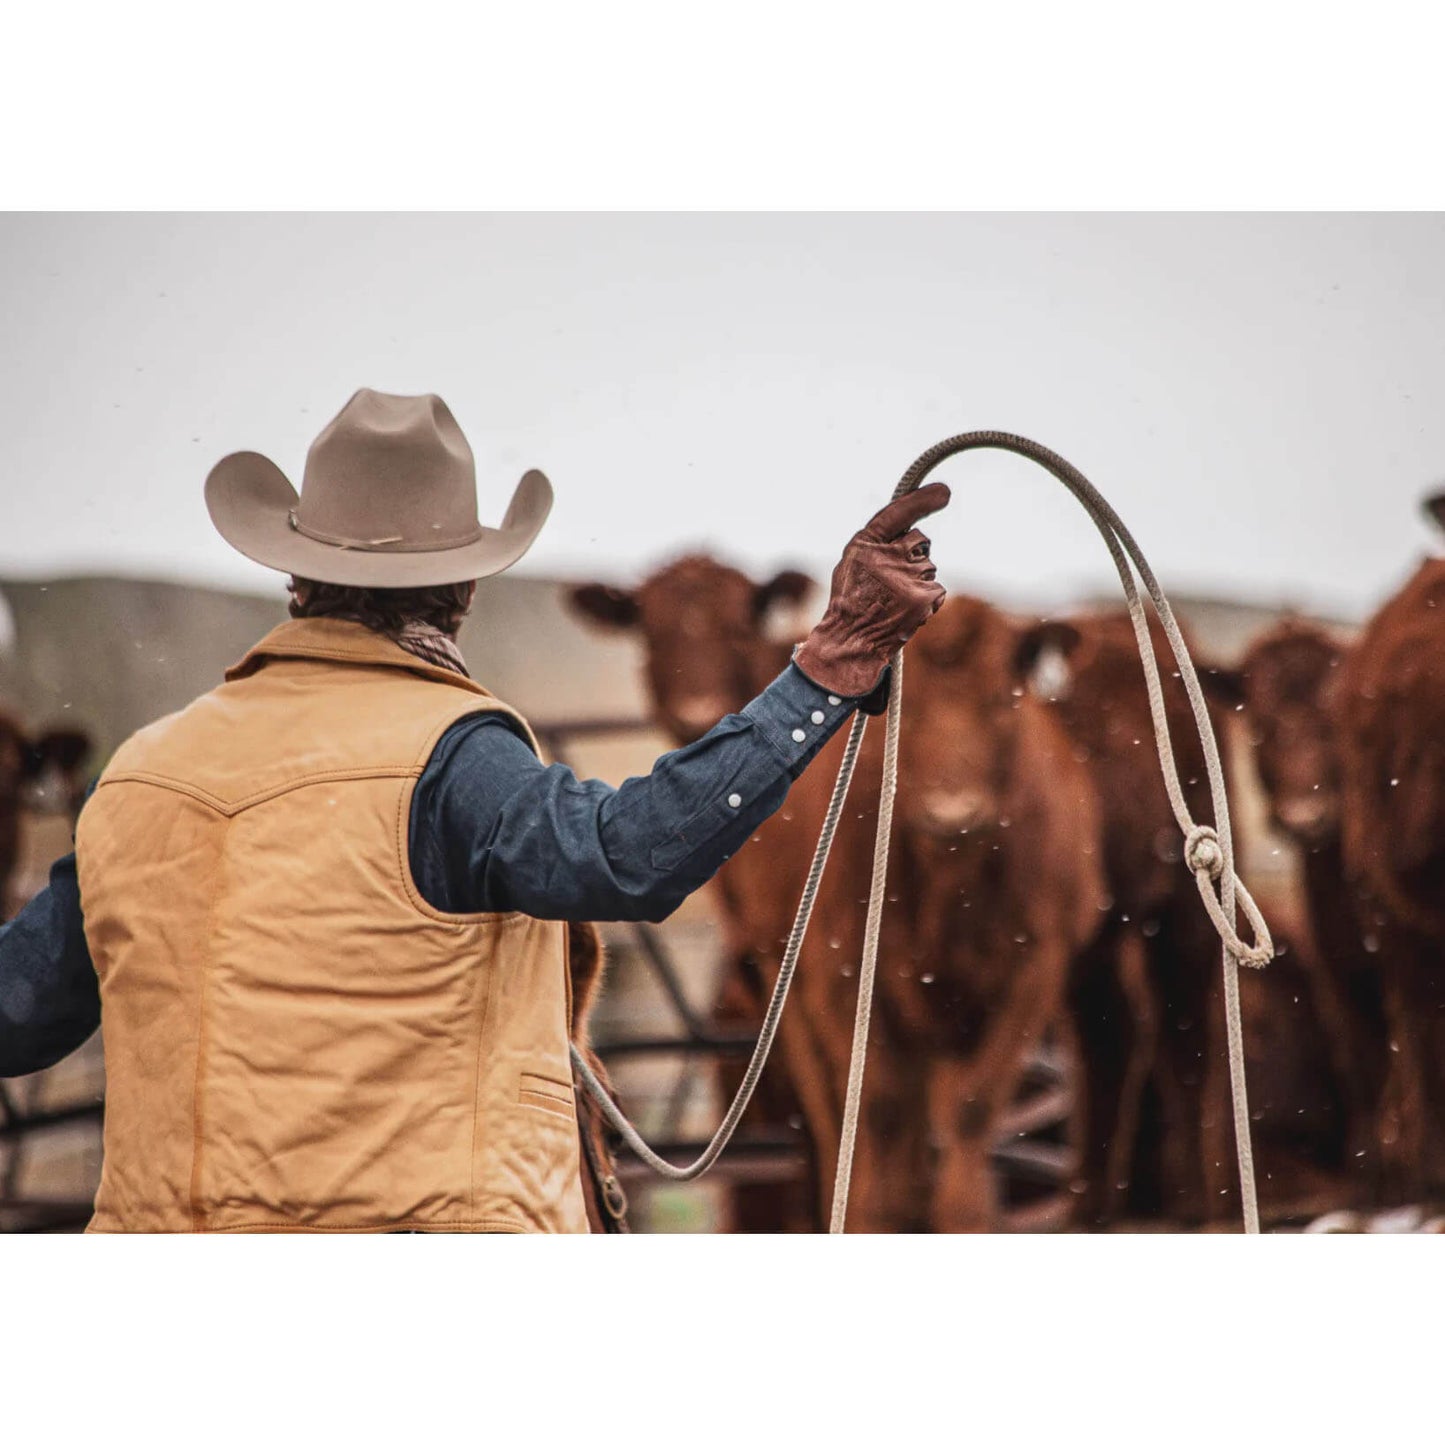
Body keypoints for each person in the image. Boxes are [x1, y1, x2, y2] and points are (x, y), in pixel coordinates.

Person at [0, 388, 948, 1233]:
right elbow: (629, 856)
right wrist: (828, 663)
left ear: (293, 577)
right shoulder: (450, 758)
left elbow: (16, 1018)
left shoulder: (138, 779)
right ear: (462, 588)